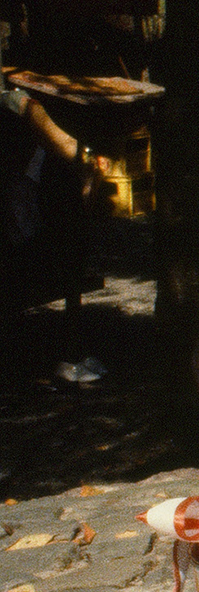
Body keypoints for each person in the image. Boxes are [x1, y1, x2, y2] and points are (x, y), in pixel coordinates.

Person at [1, 79, 115, 383]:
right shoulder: (26, 160)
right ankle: (65, 355)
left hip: (40, 243)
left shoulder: (49, 162)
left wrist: (91, 177)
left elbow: (76, 209)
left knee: (72, 246)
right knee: (67, 248)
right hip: (28, 247)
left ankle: (70, 354)